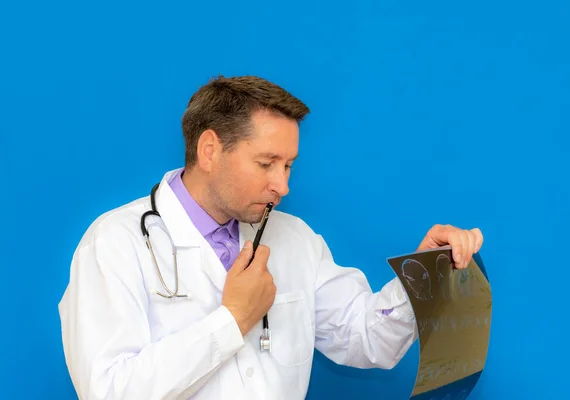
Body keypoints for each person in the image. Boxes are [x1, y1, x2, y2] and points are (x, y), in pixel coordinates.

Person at [58, 75, 484, 400]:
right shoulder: (115, 242)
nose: (283, 186)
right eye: (267, 163)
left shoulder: (295, 239)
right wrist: (232, 320)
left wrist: (423, 273)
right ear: (209, 151)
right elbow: (108, 390)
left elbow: (366, 340)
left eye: (289, 166)